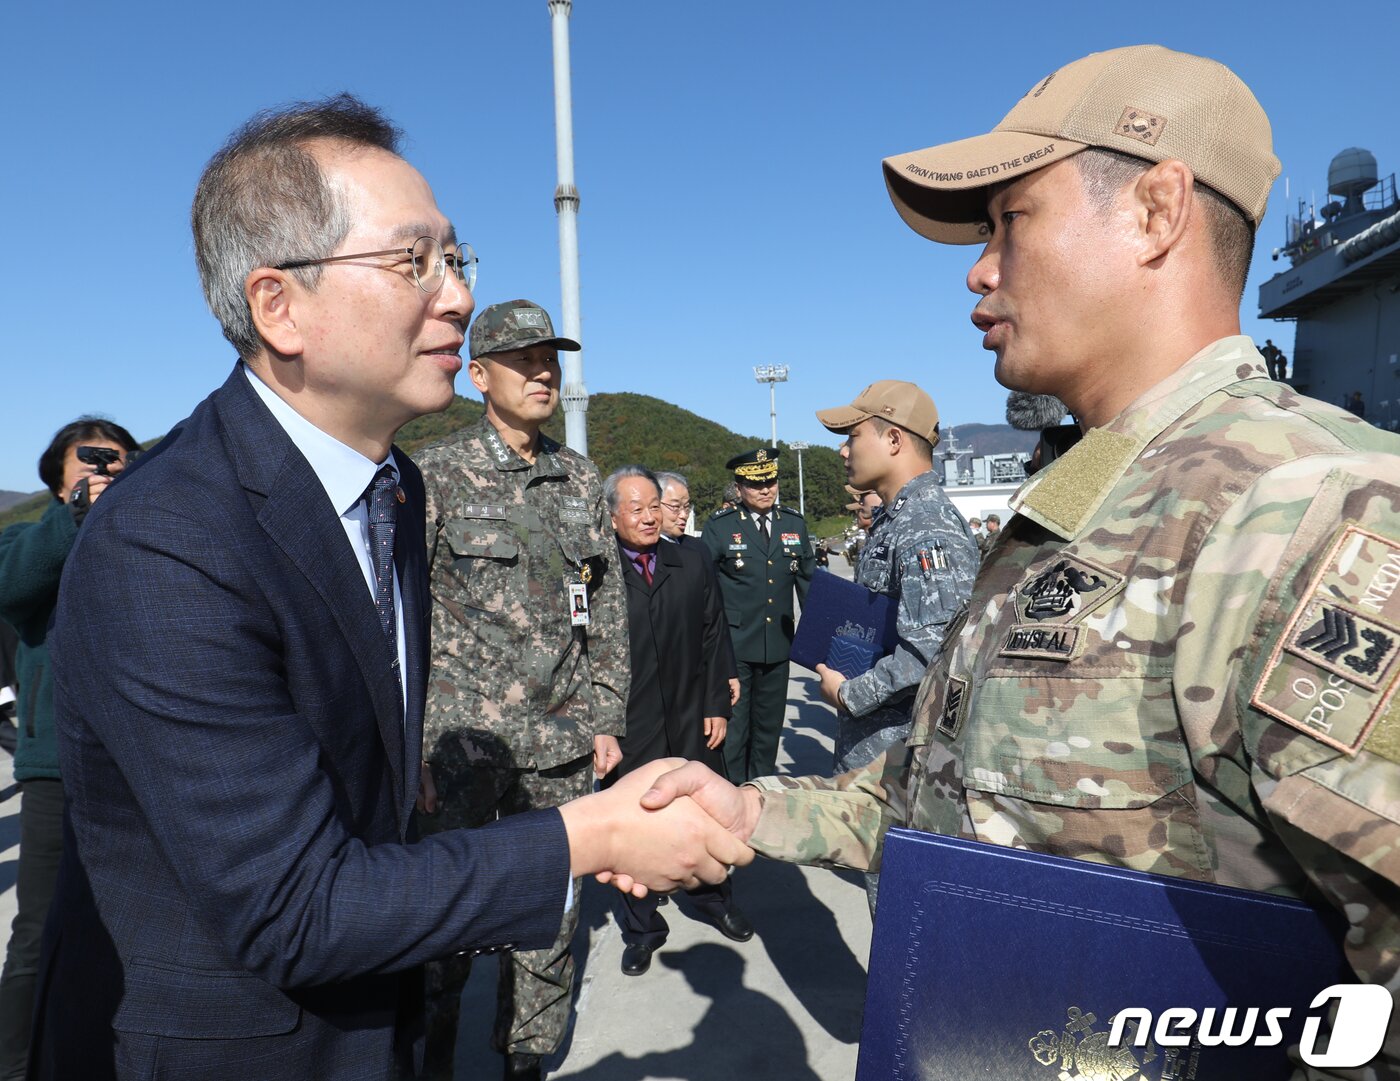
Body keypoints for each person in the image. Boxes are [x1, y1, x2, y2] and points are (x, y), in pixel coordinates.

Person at [641, 45, 1400, 1070]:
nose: (977, 267)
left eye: (1010, 220)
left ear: (1154, 210)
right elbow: (934, 798)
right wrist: (752, 811)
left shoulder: (1309, 506)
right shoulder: (1076, 509)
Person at [33, 95, 748, 1081]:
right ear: (279, 304)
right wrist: (587, 835)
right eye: (411, 262)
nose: (453, 295)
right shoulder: (165, 541)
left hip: (385, 1005)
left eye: (455, 260)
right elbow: (293, 907)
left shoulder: (393, 485)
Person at [414, 298, 630, 1081]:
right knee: (446, 917)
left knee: (550, 917)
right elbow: (401, 618)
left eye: (552, 359)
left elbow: (604, 608)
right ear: (479, 375)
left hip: (564, 741)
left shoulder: (579, 477)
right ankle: (430, 1056)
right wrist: (411, 746)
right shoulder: (433, 474)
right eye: (523, 360)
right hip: (461, 744)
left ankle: (526, 1062)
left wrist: (606, 713)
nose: (544, 372)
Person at [0, 417, 138, 1081]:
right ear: (58, 480)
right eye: (89, 462)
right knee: (38, 934)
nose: (105, 470)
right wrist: (77, 518)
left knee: (133, 928)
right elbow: (13, 585)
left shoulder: (147, 534)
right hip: (57, 768)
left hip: (141, 768)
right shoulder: (33, 537)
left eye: (118, 461)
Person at [811, 382, 979, 912]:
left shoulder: (925, 525)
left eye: (852, 435)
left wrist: (851, 694)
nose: (843, 450)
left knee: (904, 915)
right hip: (883, 754)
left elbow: (934, 647)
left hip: (905, 757)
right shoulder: (895, 518)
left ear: (892, 439)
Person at [605, 466, 752, 976]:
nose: (649, 518)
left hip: (693, 711)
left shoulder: (690, 558)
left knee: (706, 808)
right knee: (632, 822)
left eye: (654, 507)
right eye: (637, 508)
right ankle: (642, 927)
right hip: (631, 721)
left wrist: (718, 702)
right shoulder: (594, 570)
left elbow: (714, 632)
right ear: (612, 515)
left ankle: (717, 900)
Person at [700, 449, 814, 783]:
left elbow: (809, 587)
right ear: (738, 488)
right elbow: (704, 591)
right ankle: (731, 792)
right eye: (755, 484)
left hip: (778, 646)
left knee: (768, 730)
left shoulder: (794, 524)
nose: (765, 489)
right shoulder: (721, 528)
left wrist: (818, 643)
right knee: (735, 731)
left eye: (771, 481)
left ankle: (759, 792)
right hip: (734, 648)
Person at [657, 470, 739, 709]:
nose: (683, 515)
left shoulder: (698, 550)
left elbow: (715, 618)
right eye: (675, 507)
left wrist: (728, 670)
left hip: (697, 673)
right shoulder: (635, 554)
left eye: (687, 507)